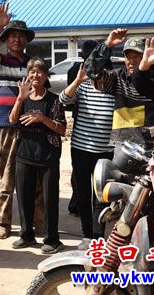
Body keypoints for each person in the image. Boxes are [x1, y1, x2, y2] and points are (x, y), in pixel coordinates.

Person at [0, 2, 35, 239]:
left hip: (29, 127)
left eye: (21, 36)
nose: (17, 39)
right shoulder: (0, 61)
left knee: (32, 180)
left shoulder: (32, 65)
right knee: (5, 179)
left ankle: (36, 223)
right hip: (5, 127)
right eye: (12, 35)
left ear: (26, 40)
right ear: (6, 39)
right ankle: (2, 223)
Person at [10, 58, 66, 253]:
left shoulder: (54, 100)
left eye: (40, 71)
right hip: (24, 154)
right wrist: (19, 99)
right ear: (28, 75)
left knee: (49, 200)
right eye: (32, 71)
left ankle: (52, 239)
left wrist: (42, 118)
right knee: (23, 197)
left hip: (48, 156)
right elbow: (12, 120)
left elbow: (62, 129)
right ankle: (26, 235)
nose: (36, 75)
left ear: (46, 75)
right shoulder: (22, 97)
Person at [59, 57, 115, 249]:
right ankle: (87, 235)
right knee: (83, 194)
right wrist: (77, 80)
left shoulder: (115, 90)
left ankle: (98, 237)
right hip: (81, 150)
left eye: (103, 70)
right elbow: (63, 99)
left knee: (101, 196)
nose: (99, 74)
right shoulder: (82, 88)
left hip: (105, 152)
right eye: (95, 69)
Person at [66, 40, 99, 217]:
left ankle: (78, 204)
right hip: (87, 123)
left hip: (83, 121)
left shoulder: (74, 69)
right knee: (88, 170)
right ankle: (81, 204)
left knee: (81, 169)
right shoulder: (77, 71)